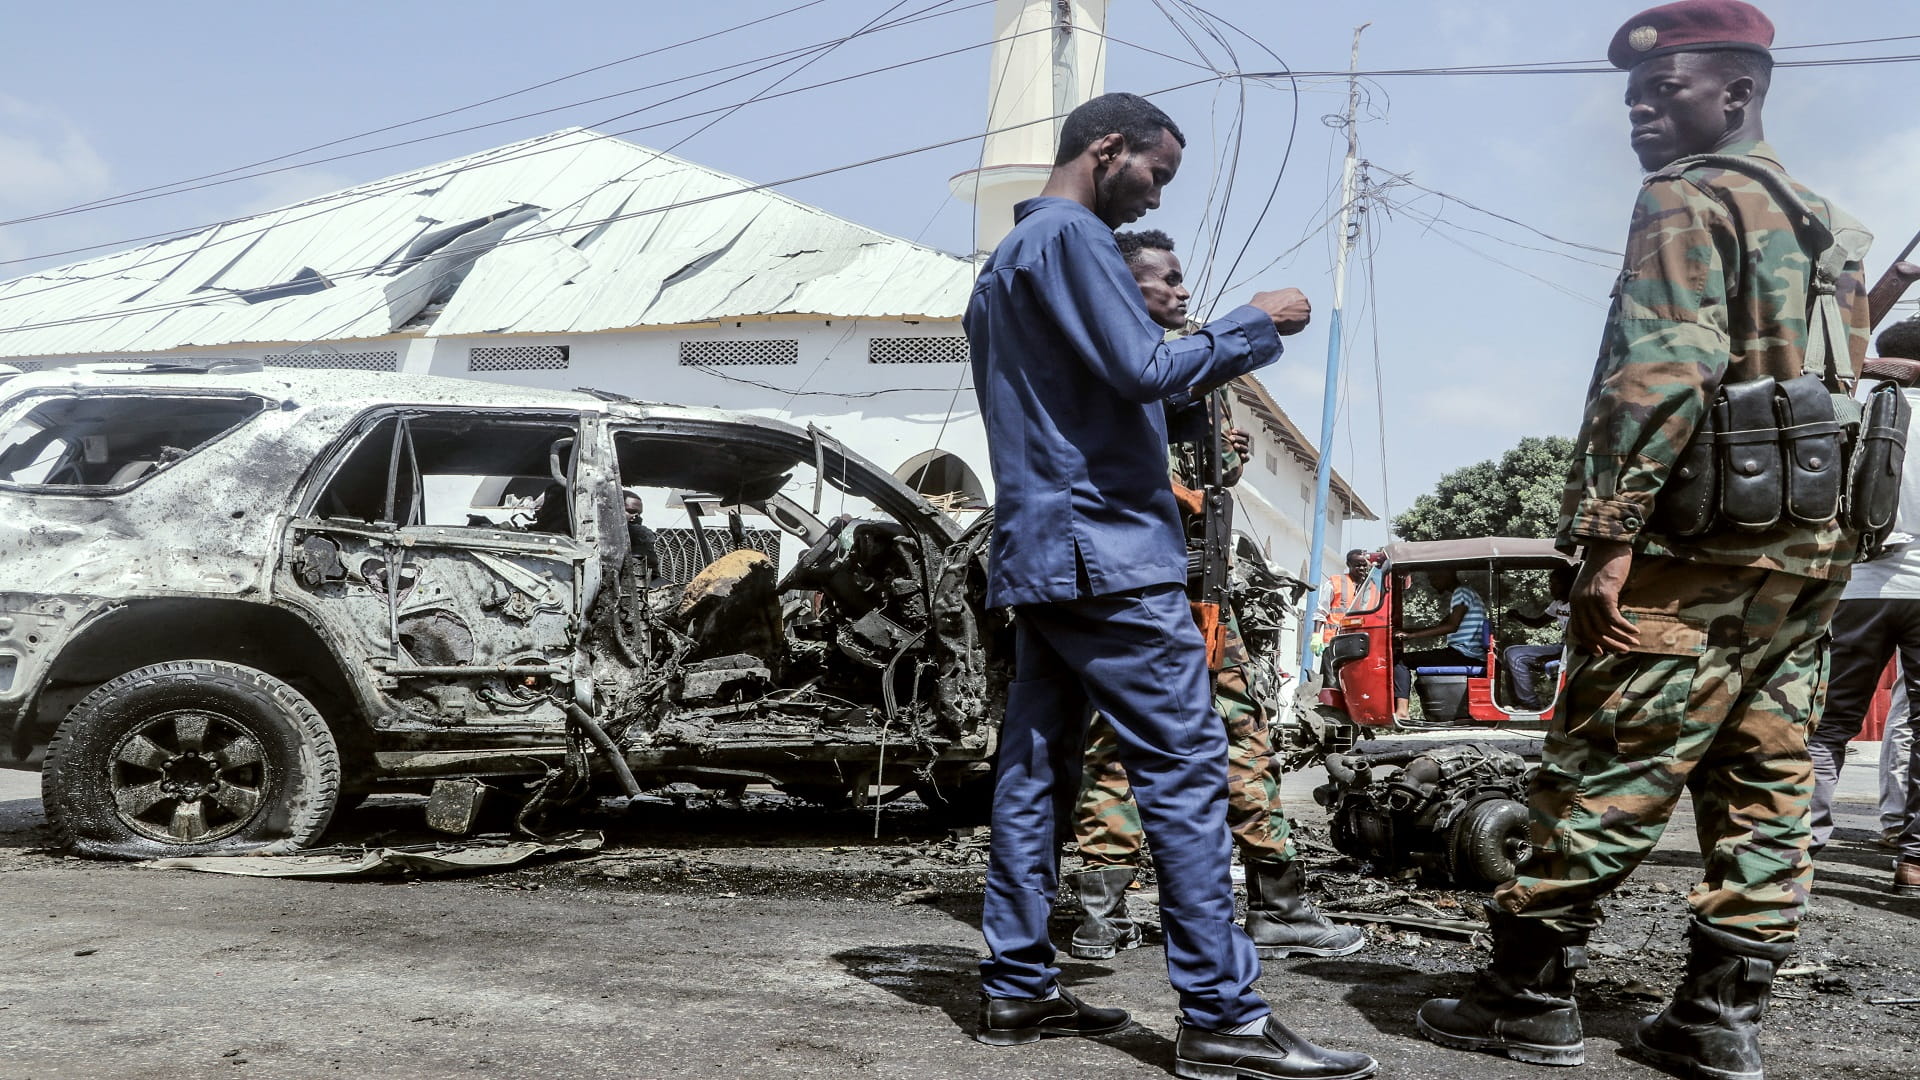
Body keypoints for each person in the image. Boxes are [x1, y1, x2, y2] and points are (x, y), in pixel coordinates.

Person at [1416, 5, 1873, 1077]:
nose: (1637, 113)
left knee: (1607, 765)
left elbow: (1664, 371)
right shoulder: (1825, 223)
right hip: (1803, 558)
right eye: (1631, 98)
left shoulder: (1686, 195)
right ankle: (1718, 1019)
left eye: (1662, 91)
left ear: (1736, 93)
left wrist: (1609, 534)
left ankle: (1526, 996)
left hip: (1692, 553)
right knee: (1766, 789)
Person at [965, 91, 1377, 1080]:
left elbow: (1087, 391)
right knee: (1189, 767)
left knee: (1035, 771)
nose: (1155, 194)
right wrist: (1256, 323)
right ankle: (1222, 1015)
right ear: (1108, 149)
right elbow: (1143, 366)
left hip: (1043, 554)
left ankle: (1017, 987)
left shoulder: (1005, 262)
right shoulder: (1072, 239)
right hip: (1108, 552)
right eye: (1156, 172)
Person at [1068, 229, 1364, 966]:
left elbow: (1204, 458)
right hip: (1144, 589)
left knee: (1216, 739)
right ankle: (1119, 914)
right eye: (1165, 280)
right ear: (1122, 287)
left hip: (1193, 588)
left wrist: (1216, 464)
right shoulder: (1114, 359)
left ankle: (1261, 907)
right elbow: (1115, 463)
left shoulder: (1180, 365)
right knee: (1151, 746)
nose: (1182, 291)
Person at [1807, 316, 1920, 895]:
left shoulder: (1854, 409)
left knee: (1829, 726)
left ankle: (1798, 849)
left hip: (1858, 587)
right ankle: (1914, 861)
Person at [1391, 568, 1488, 720]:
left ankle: (1402, 712)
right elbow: (1440, 626)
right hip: (1465, 653)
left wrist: (1411, 635)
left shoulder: (1461, 592)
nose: (1431, 583)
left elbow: (1451, 626)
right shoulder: (1466, 594)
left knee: (1401, 661)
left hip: (1464, 654)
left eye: (1432, 577)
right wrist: (1405, 631)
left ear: (1446, 574)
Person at [1503, 564, 1575, 712]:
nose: (1550, 588)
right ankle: (1517, 701)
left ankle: (1530, 704)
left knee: (1516, 657)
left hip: (1571, 650)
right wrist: (1518, 617)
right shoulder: (1558, 604)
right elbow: (1538, 623)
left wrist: (1554, 657)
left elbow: (1579, 640)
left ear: (1568, 584)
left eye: (1555, 584)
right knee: (1509, 652)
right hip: (1562, 647)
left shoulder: (1577, 605)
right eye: (1550, 584)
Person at [1315, 549, 1378, 653]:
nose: (1362, 568)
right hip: (1334, 643)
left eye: (1364, 565)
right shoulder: (1335, 583)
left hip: (1361, 644)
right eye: (1357, 565)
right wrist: (1316, 636)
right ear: (1348, 564)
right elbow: (1321, 611)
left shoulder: (1372, 588)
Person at [623, 491, 662, 586]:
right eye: (631, 511)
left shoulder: (642, 535)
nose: (637, 516)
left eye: (639, 513)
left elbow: (652, 570)